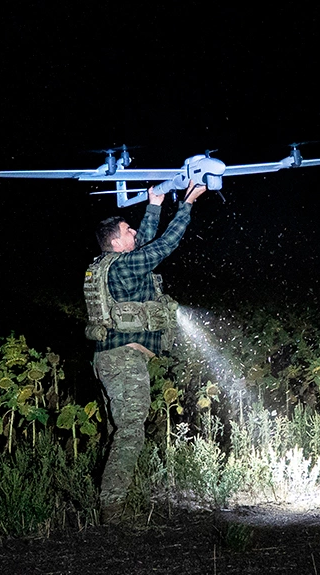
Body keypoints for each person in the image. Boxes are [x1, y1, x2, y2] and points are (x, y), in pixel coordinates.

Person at [85, 181, 207, 522]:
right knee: (130, 431)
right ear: (116, 241)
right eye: (128, 229)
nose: (134, 230)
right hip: (122, 360)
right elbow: (164, 246)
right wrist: (187, 205)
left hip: (114, 358)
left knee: (121, 429)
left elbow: (148, 246)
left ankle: (112, 499)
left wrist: (154, 204)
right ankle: (112, 508)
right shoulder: (123, 266)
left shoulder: (114, 264)